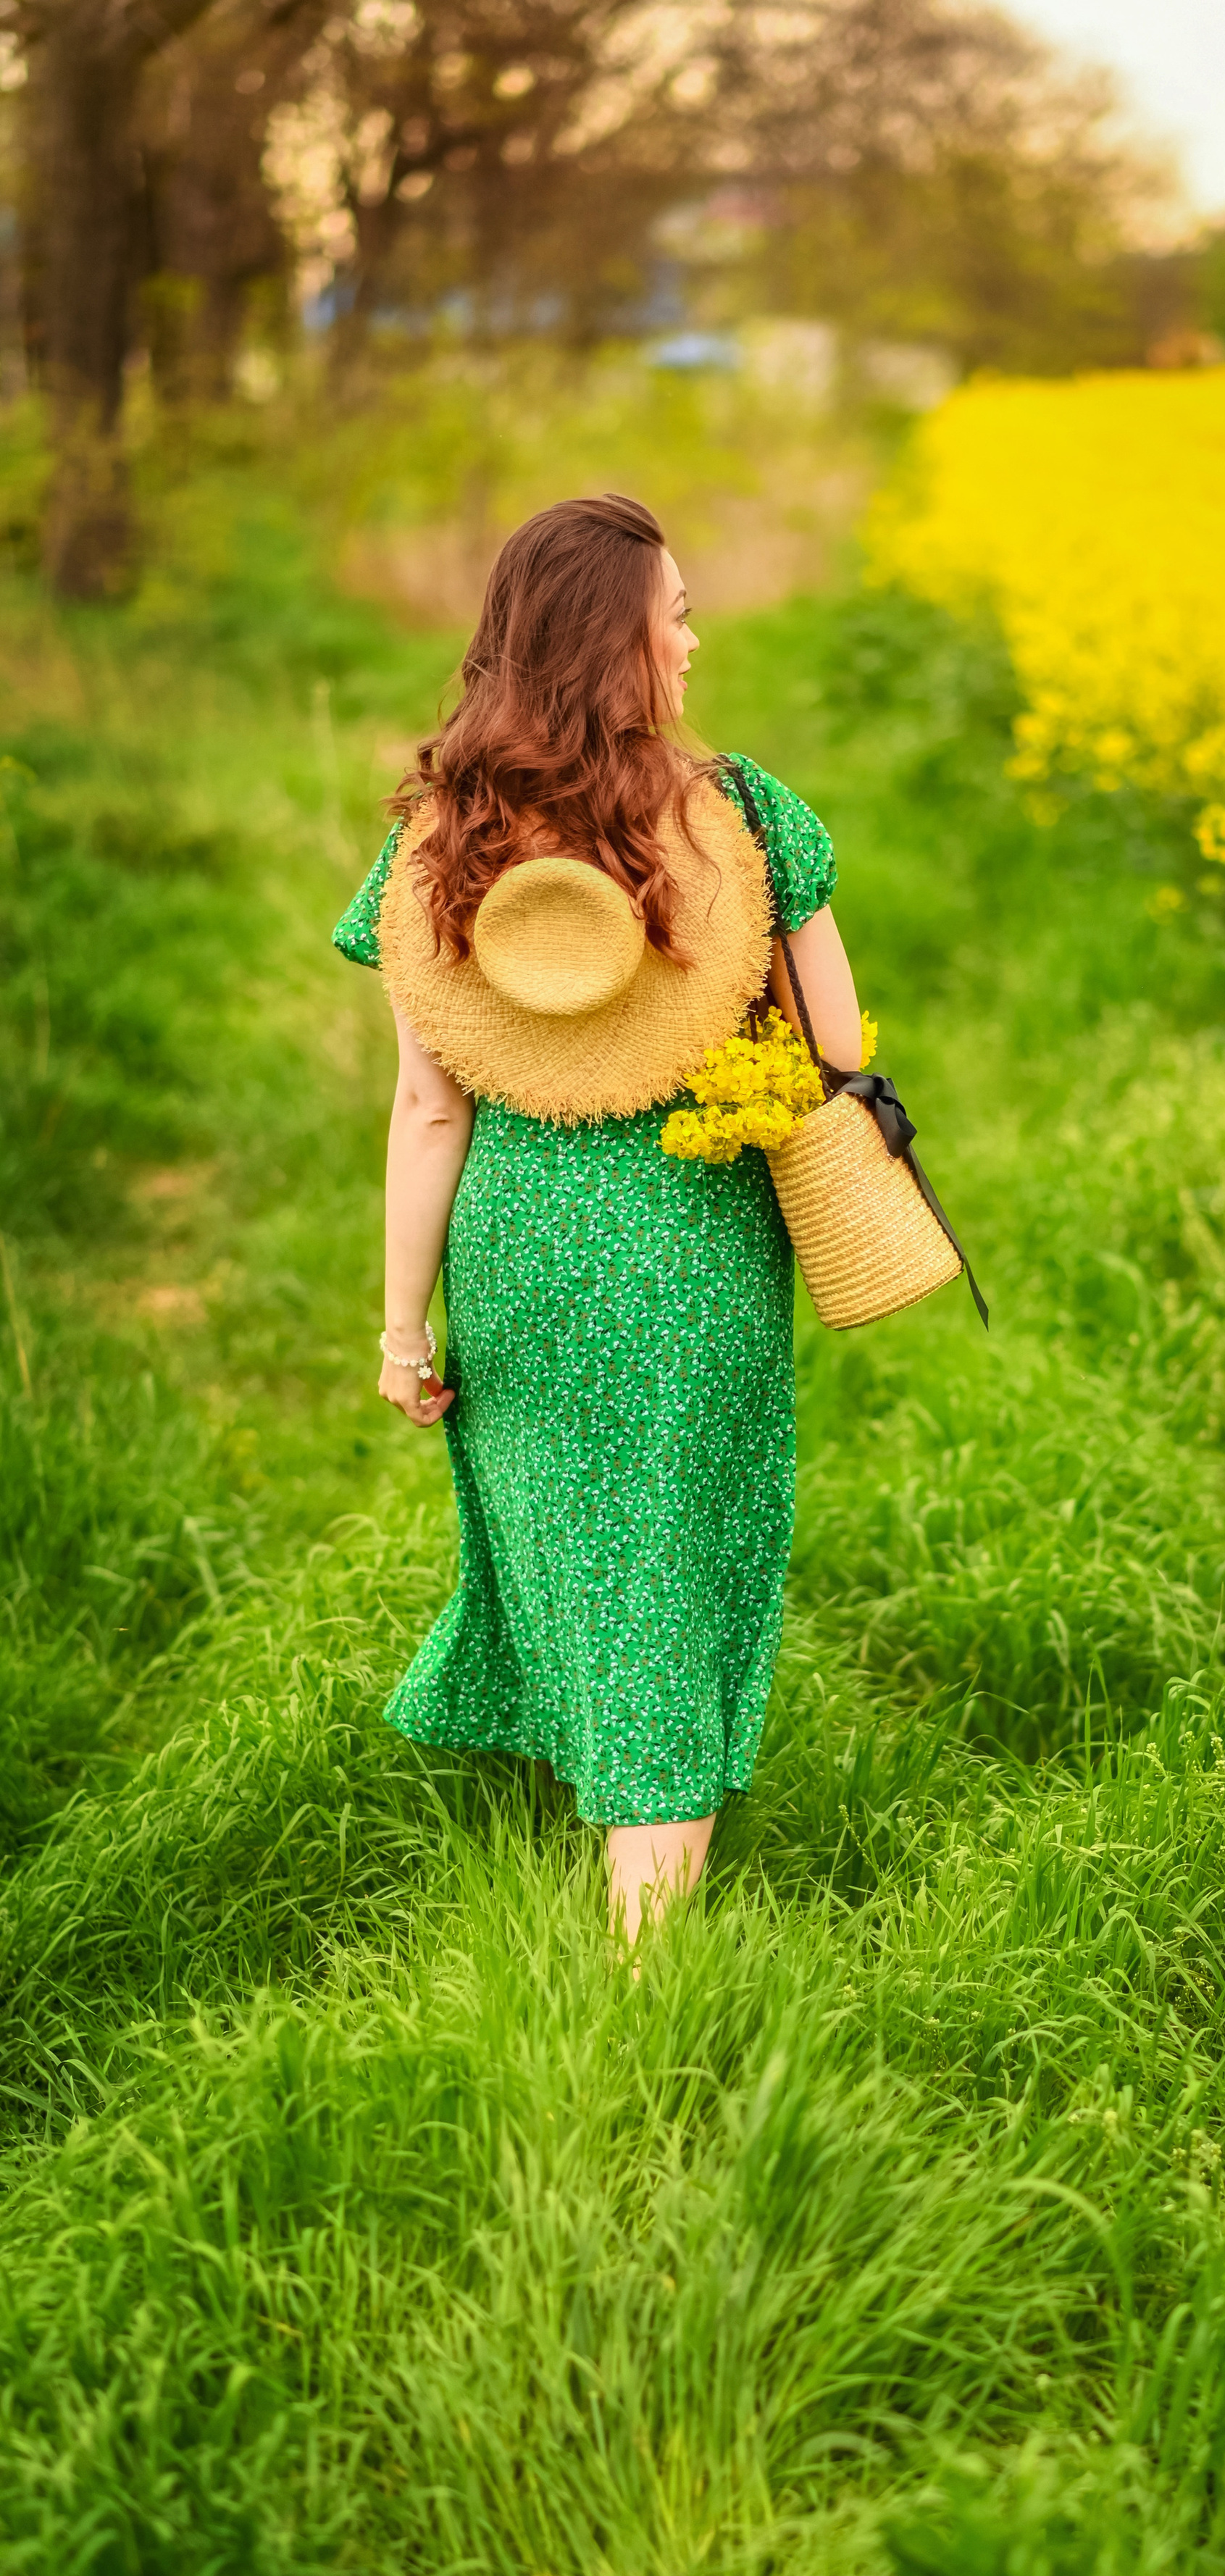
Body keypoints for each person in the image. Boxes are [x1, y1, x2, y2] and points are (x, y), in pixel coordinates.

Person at [331, 493, 861, 1943]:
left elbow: (429, 1110)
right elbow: (836, 1053)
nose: (694, 638)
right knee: (673, 1560)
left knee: (580, 1548)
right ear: (618, 648)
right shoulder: (745, 816)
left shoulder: (438, 844)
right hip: (690, 1243)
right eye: (674, 614)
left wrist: (400, 1322)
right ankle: (649, 1955)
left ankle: (620, 1847)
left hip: (518, 1255)